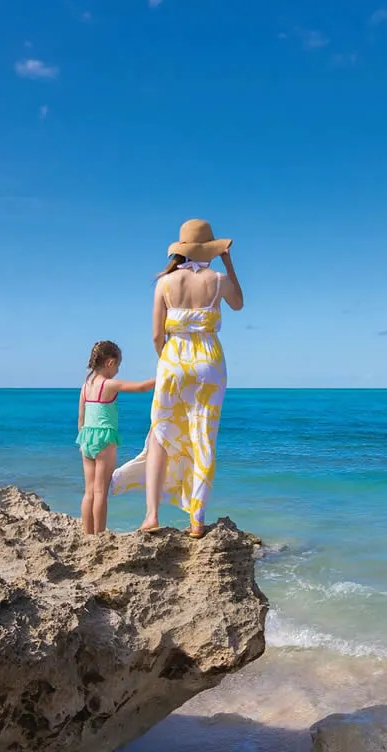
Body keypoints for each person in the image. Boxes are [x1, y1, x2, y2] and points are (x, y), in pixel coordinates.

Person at [110, 219, 244, 538]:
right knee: (203, 436)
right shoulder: (219, 279)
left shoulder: (166, 283)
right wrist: (228, 261)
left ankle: (151, 515)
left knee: (160, 433)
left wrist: (169, 362)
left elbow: (157, 335)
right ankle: (197, 519)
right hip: (209, 363)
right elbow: (238, 304)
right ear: (210, 250)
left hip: (173, 361)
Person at [76, 340, 153, 534]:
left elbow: (81, 417)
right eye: (118, 365)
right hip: (104, 439)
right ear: (110, 362)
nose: (118, 370)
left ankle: (88, 534)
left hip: (85, 438)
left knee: (89, 491)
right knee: (101, 491)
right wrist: (164, 377)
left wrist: (82, 440)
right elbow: (141, 387)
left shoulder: (85, 386)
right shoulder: (109, 384)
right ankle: (99, 534)